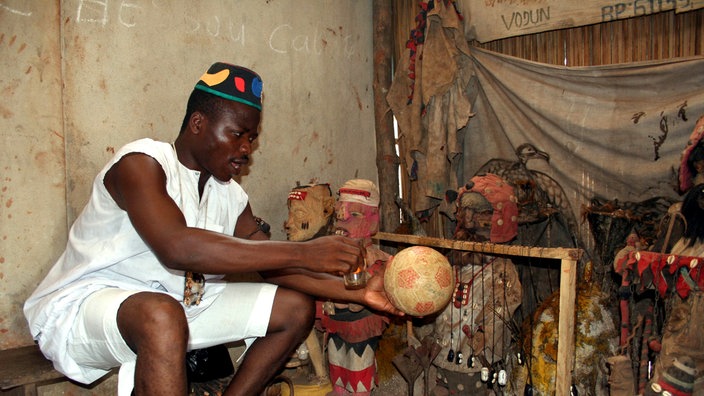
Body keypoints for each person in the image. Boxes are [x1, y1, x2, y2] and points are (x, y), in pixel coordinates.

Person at [23, 62, 402, 396]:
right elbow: (177, 246)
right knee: (161, 315)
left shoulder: (231, 197)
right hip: (86, 309)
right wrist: (305, 251)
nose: (246, 149)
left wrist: (356, 294)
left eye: (251, 138)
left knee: (293, 308)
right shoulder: (141, 164)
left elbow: (271, 265)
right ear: (198, 123)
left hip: (181, 308)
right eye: (236, 134)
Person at [318, 179, 391, 396]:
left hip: (361, 325)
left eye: (355, 215)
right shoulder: (332, 255)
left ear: (373, 220)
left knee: (359, 360)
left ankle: (360, 392)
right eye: (340, 213)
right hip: (337, 323)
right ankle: (340, 389)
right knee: (336, 356)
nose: (343, 222)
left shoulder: (377, 260)